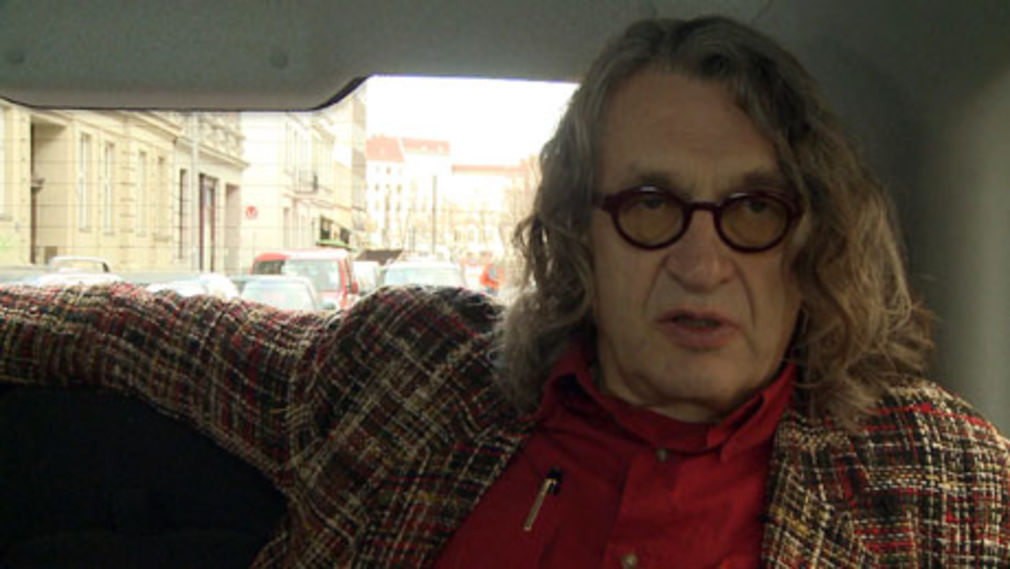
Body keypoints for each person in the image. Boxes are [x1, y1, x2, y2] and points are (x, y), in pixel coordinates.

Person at [2, 15, 1008, 568]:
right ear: (578, 232)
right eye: (649, 204)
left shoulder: (935, 476)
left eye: (752, 208)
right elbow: (144, 332)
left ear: (811, 234)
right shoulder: (413, 370)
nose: (702, 263)